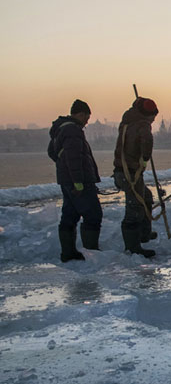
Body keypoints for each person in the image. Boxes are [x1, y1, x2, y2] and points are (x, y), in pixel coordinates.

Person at [47, 99, 102, 262]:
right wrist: (78, 181)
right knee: (93, 214)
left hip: (66, 180)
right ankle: (92, 254)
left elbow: (52, 152)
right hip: (79, 182)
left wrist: (63, 168)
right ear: (80, 114)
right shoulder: (73, 130)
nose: (87, 121)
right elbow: (74, 158)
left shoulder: (60, 128)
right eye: (87, 117)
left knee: (70, 215)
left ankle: (68, 253)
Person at [113, 97, 159, 258]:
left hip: (123, 171)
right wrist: (145, 158)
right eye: (153, 116)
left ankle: (144, 233)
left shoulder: (127, 121)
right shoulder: (142, 125)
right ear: (148, 115)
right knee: (134, 208)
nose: (154, 120)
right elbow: (147, 141)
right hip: (129, 173)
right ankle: (133, 247)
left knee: (146, 196)